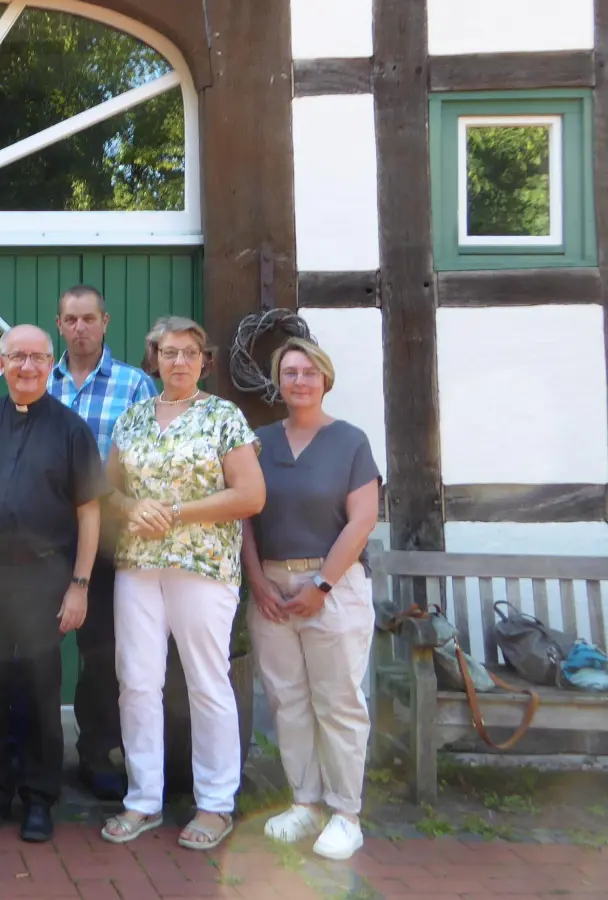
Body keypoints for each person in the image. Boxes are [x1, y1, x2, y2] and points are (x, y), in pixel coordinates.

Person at [101, 316, 265, 851]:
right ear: (154, 359)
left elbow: (250, 496)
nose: (179, 362)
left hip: (203, 567)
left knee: (206, 681)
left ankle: (216, 803)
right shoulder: (131, 420)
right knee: (138, 681)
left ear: (203, 361)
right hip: (138, 566)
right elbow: (109, 495)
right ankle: (143, 799)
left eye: (190, 353)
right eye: (169, 353)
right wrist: (133, 506)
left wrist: (175, 511)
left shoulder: (223, 417)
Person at [0, 325, 104, 844]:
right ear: (2, 363)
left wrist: (79, 583)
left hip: (45, 576)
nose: (27, 367)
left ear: (50, 362)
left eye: (36, 357)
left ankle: (38, 798)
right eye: (16, 357)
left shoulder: (72, 429)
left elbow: (89, 512)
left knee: (38, 690)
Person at [243, 337, 378, 861]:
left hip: (333, 587)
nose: (299, 381)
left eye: (308, 372)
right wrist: (256, 580)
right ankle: (305, 802)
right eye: (289, 372)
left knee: (338, 701)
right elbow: (246, 518)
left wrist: (321, 585)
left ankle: (347, 814)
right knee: (287, 700)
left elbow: (362, 519)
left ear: (325, 379)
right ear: (279, 382)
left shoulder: (349, 441)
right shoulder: (258, 443)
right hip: (272, 588)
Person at [47, 284, 158, 800]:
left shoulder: (135, 386)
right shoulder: (38, 380)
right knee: (38, 649)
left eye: (89, 318)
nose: (79, 328)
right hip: (45, 537)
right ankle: (40, 753)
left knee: (101, 652)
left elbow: (146, 464)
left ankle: (96, 752)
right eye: (70, 319)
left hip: (110, 540)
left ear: (106, 322)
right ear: (59, 323)